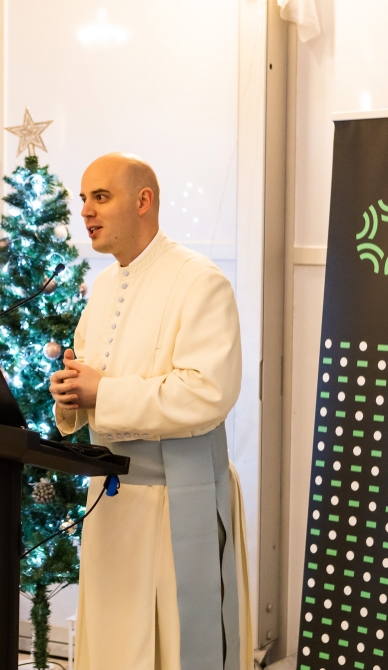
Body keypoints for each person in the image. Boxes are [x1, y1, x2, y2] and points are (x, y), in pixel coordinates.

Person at [49, 153, 251, 670]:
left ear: (144, 201)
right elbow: (91, 376)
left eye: (101, 197)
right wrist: (70, 393)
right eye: (84, 199)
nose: (86, 211)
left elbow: (207, 393)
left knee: (178, 650)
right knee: (113, 648)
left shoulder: (199, 280)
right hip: (111, 504)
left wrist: (101, 392)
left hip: (175, 501)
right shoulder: (104, 286)